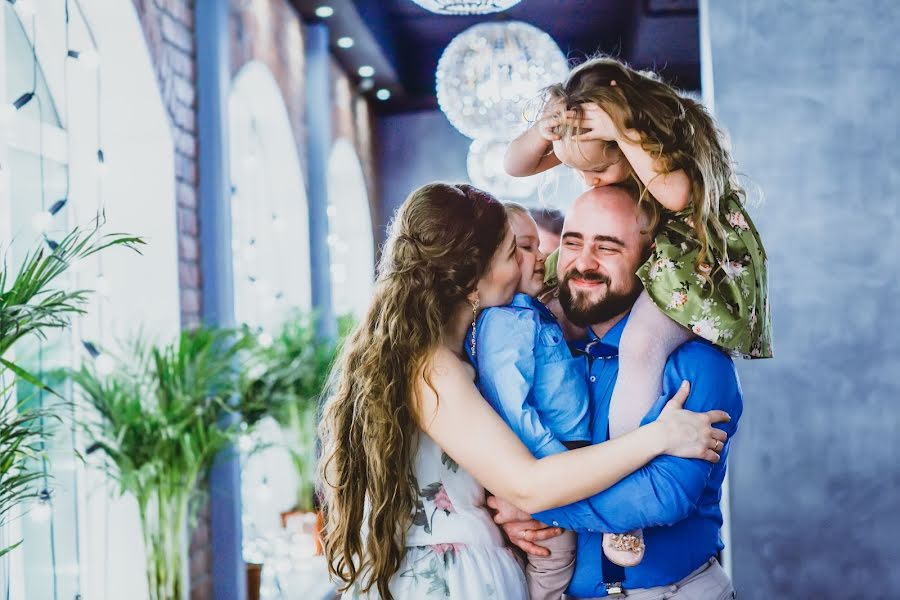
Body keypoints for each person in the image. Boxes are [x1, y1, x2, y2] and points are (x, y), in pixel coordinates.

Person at [318, 182, 731, 600]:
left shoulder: (486, 359)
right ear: (471, 281)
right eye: (512, 254)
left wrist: (514, 515)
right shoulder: (433, 367)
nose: (533, 265)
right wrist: (659, 435)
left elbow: (659, 494)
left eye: (608, 247)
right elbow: (527, 483)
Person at [504, 56, 771, 566]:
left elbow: (673, 192)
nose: (590, 182)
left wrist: (537, 499)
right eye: (580, 171)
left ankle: (625, 463)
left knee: (641, 345)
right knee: (542, 309)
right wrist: (546, 131)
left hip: (691, 266)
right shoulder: (596, 154)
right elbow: (515, 166)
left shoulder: (652, 153)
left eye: (600, 168)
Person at [489, 185, 743, 599]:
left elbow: (661, 494)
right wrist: (506, 511)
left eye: (607, 248)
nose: (583, 262)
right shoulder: (551, 357)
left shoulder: (696, 363)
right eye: (573, 243)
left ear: (650, 262)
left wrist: (530, 500)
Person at [468, 202, 589, 600]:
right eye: (522, 248)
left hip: (560, 465)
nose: (540, 258)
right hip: (548, 469)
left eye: (539, 247)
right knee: (553, 562)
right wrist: (558, 464)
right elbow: (510, 408)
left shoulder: (531, 314)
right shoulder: (503, 323)